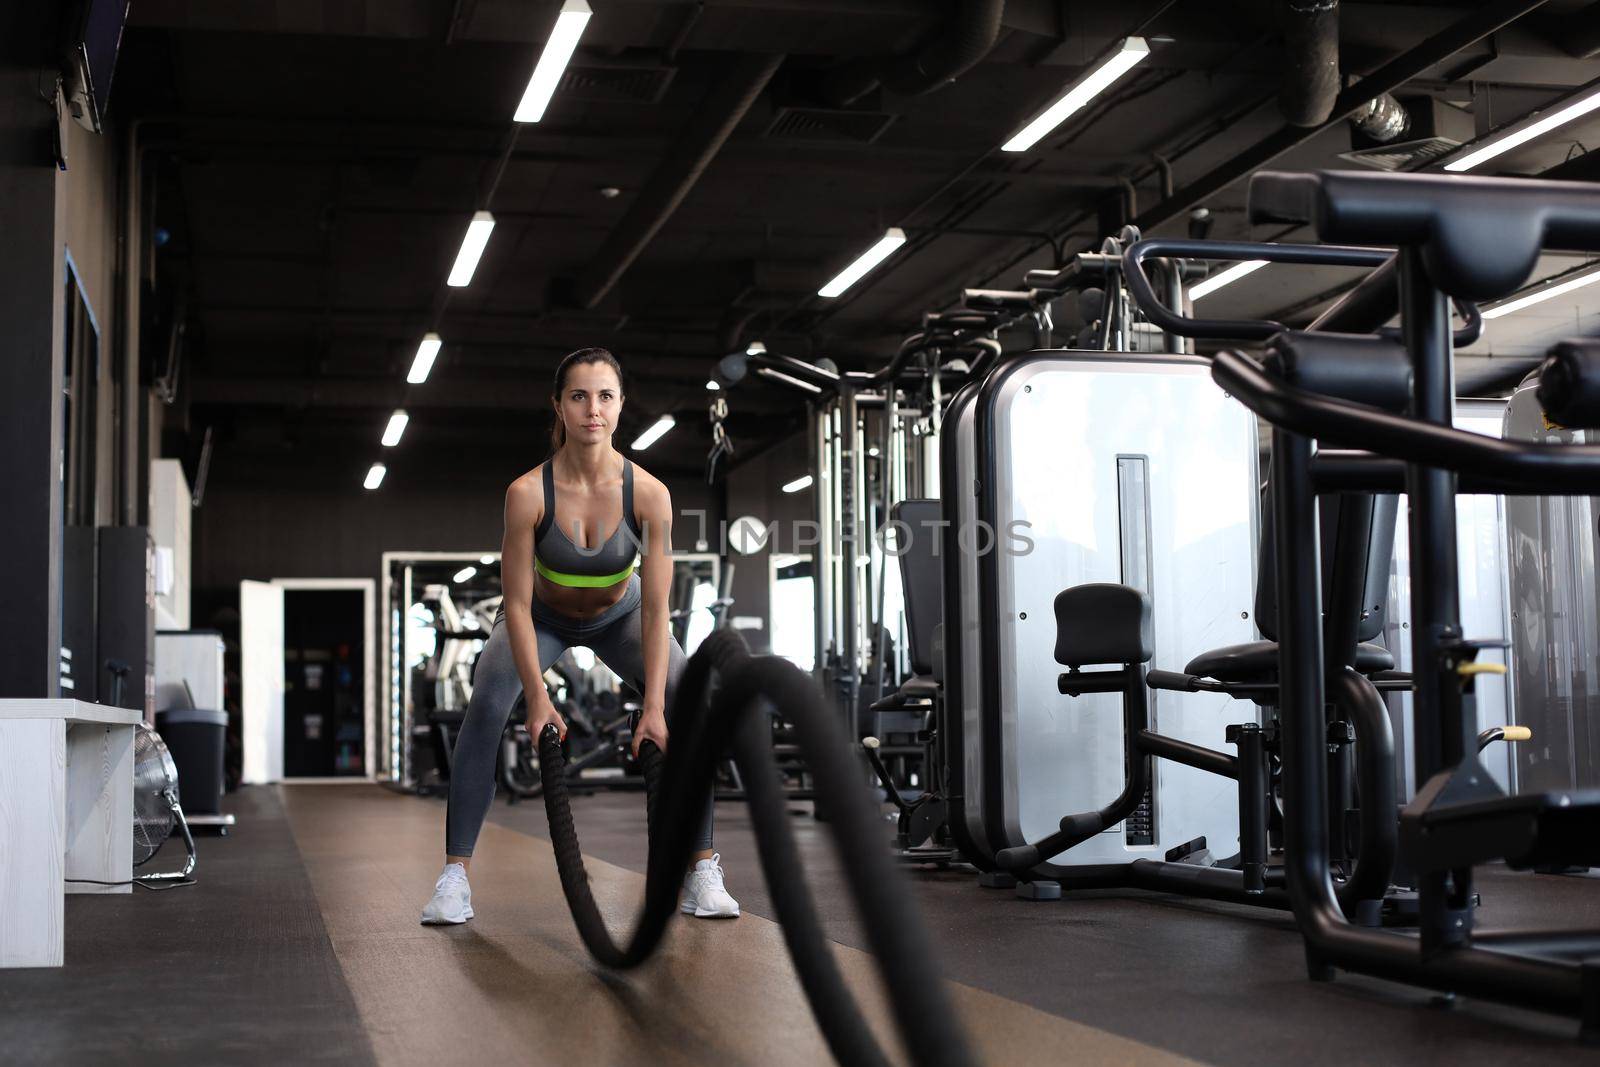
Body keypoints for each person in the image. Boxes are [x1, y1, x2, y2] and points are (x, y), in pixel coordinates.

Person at [420, 347, 738, 924]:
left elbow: (658, 604)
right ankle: (454, 877)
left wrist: (657, 708)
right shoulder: (527, 494)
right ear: (559, 406)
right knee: (489, 701)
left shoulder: (649, 494)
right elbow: (515, 604)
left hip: (623, 616)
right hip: (539, 618)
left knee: (692, 696)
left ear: (621, 405)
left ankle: (701, 868)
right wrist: (537, 699)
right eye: (579, 396)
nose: (594, 409)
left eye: (606, 396)